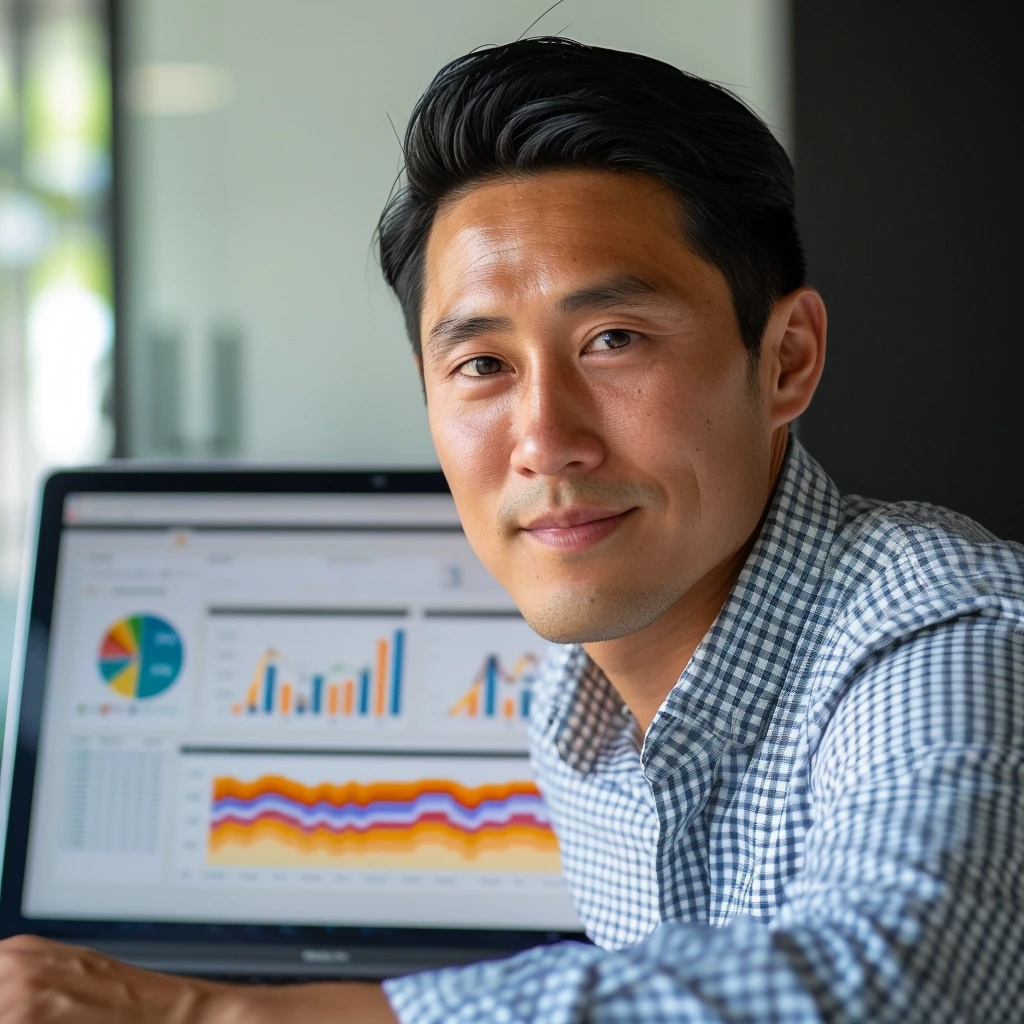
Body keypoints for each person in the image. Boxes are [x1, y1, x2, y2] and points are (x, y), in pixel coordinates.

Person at [2, 35, 1023, 1024]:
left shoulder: (952, 628)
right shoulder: (570, 702)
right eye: (482, 365)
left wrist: (210, 1011)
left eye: (612, 340)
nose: (543, 440)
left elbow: (898, 981)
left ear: (787, 357)